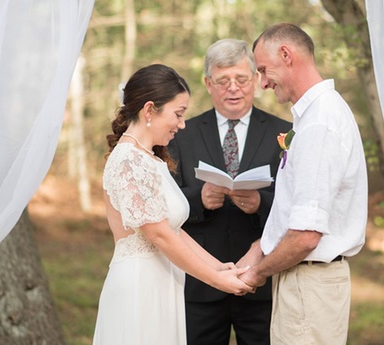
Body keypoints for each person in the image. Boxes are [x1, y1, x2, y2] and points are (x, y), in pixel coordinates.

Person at [92, 64, 253, 345]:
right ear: (150, 110)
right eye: (178, 114)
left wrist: (220, 268)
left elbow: (174, 230)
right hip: (140, 287)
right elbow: (159, 235)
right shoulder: (129, 160)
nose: (182, 124)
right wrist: (217, 282)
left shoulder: (151, 160)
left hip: (163, 282)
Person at [237, 23, 368, 345]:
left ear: (286, 54)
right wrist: (260, 247)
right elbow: (295, 213)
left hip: (309, 283)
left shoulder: (319, 124)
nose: (263, 82)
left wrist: (256, 273)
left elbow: (307, 235)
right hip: (303, 279)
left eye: (264, 70)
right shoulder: (314, 116)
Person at [169, 39, 292, 345]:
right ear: (208, 83)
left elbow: (297, 201)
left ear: (255, 80)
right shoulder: (180, 134)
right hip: (199, 285)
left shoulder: (286, 131)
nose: (233, 88)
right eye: (223, 81)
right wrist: (199, 199)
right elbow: (162, 203)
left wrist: (260, 203)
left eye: (241, 79)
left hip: (263, 281)